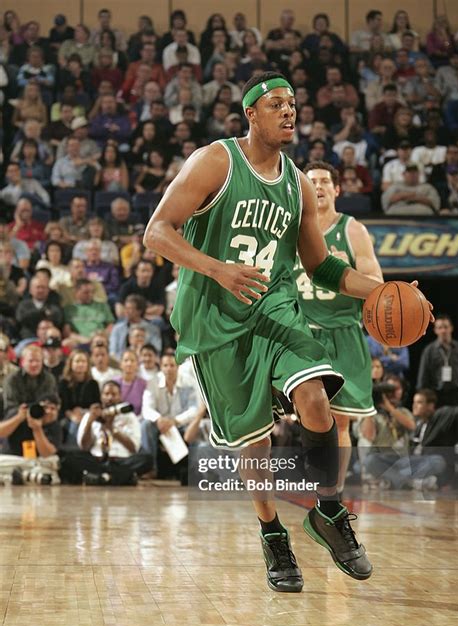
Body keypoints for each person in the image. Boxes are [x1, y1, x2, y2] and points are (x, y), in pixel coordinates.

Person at [142, 70, 425, 590]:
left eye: (293, 104)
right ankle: (272, 533)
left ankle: (329, 512)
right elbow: (156, 231)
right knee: (255, 444)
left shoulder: (296, 182)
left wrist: (387, 293)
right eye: (276, 104)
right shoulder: (216, 160)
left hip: (275, 308)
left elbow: (320, 266)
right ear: (251, 113)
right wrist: (217, 268)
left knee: (316, 398)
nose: (289, 111)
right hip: (216, 319)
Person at [293, 161, 382, 498]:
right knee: (311, 417)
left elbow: (375, 281)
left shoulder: (352, 229)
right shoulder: (293, 228)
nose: (318, 185)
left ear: (336, 190)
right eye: (311, 180)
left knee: (341, 421)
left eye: (325, 181)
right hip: (303, 333)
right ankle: (316, 481)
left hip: (344, 331)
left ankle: (334, 496)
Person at [72, 381, 153, 486]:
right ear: (101, 396)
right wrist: (89, 422)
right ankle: (122, 477)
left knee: (146, 460)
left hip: (121, 459)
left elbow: (134, 448)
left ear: (120, 396)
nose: (110, 398)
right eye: (106, 394)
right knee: (71, 458)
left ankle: (99, 478)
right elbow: (84, 446)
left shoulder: (129, 416)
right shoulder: (91, 414)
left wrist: (112, 429)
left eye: (114, 395)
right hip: (97, 459)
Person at [416, 314, 458, 406]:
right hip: (436, 396)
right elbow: (423, 377)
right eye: (439, 328)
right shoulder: (429, 351)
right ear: (435, 330)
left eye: (446, 327)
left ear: (451, 328)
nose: (443, 330)